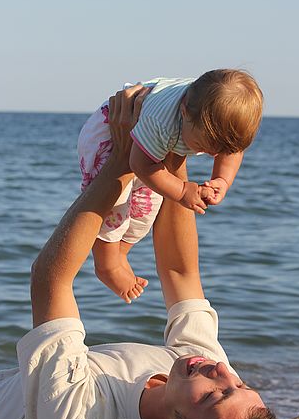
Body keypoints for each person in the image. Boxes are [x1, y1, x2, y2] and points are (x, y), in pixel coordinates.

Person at [0, 85, 280, 419]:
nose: (222, 371)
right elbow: (180, 273)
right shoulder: (195, 375)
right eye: (240, 384)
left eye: (216, 395)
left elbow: (49, 278)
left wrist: (124, 160)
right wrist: (173, 146)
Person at [78, 69, 263, 303]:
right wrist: (183, 190)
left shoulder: (212, 120)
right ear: (184, 111)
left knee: (146, 206)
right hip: (108, 137)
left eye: (218, 151)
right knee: (115, 205)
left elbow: (232, 151)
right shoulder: (161, 121)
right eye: (202, 146)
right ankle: (107, 265)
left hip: (153, 148)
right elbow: (139, 163)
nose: (212, 154)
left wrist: (222, 180)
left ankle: (120, 252)